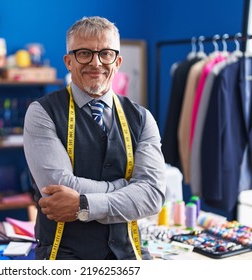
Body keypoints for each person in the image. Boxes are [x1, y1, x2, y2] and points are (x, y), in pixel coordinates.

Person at [23, 16, 166, 260]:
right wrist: (126, 186)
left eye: (106, 54)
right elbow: (58, 187)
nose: (96, 62)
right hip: (65, 255)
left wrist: (83, 205)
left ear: (118, 61)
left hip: (128, 252)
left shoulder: (142, 118)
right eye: (84, 54)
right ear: (68, 61)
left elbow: (152, 196)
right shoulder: (42, 112)